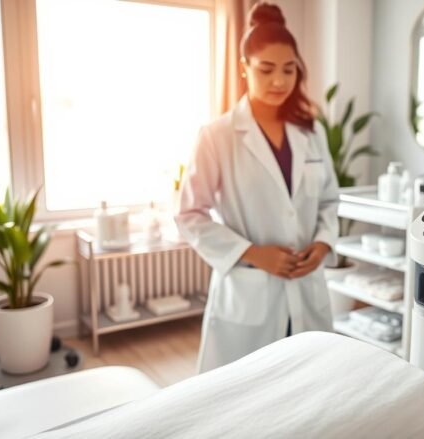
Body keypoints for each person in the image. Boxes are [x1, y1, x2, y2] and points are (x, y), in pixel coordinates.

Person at [176, 2, 339, 372]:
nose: (279, 81)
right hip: (249, 293)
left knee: (308, 389)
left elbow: (329, 199)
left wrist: (324, 242)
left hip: (306, 288)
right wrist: (252, 252)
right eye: (266, 70)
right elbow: (189, 214)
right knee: (244, 401)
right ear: (244, 68)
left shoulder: (310, 134)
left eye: (288, 70)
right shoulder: (217, 136)